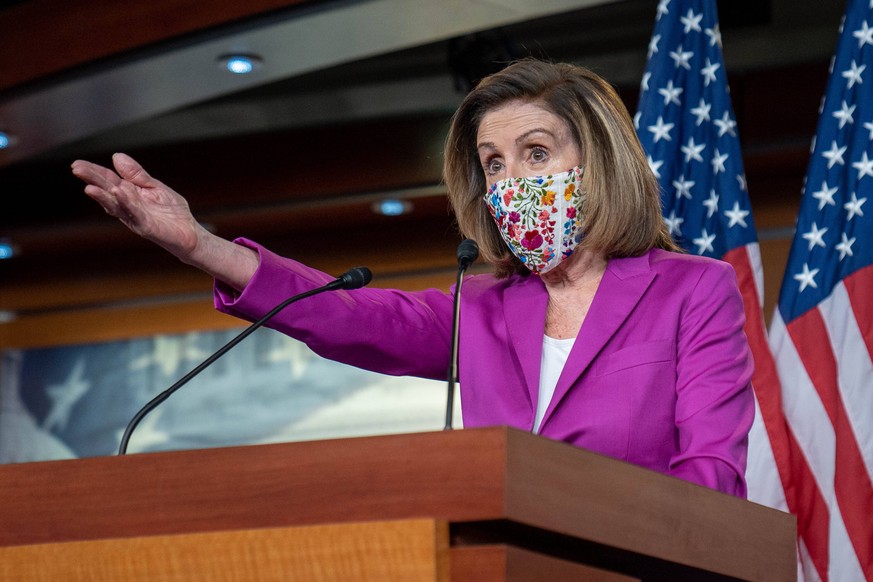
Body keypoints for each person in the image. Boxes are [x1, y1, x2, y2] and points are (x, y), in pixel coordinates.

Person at [72, 59, 754, 498]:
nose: (510, 180)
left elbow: (711, 473)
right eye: (492, 163)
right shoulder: (482, 306)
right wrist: (201, 247)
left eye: (535, 153)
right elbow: (351, 317)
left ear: (597, 160)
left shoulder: (691, 288)